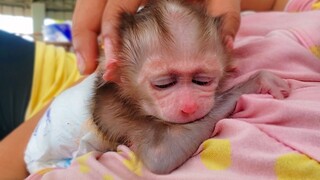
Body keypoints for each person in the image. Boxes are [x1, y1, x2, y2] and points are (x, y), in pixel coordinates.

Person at [0, 0, 290, 179]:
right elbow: (160, 158)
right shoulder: (114, 103)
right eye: (165, 83)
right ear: (118, 76)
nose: (188, 105)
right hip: (38, 149)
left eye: (203, 80)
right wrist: (239, 93)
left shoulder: (151, 72)